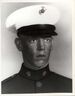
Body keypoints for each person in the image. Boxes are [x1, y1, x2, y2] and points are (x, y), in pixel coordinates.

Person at [2, 4, 72, 94]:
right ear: (19, 44)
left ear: (52, 43)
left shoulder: (69, 86)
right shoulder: (4, 89)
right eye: (33, 40)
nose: (41, 47)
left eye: (47, 40)